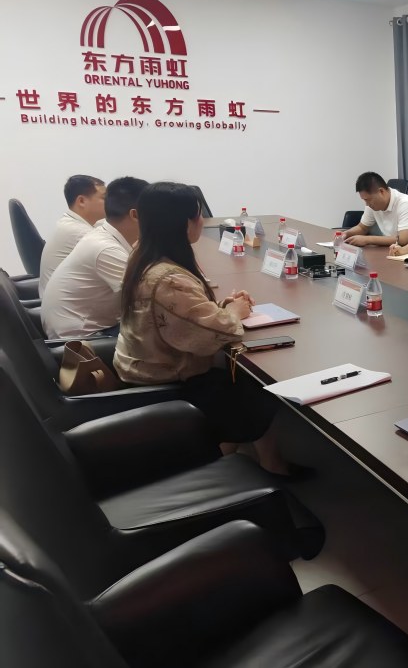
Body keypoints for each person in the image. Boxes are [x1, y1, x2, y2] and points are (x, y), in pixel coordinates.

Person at [114, 182, 299, 477]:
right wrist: (233, 312)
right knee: (254, 387)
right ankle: (217, 465)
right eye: (198, 215)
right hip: (162, 382)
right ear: (184, 223)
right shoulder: (167, 279)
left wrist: (224, 306)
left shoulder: (143, 253)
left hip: (143, 366)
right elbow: (218, 334)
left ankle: (258, 459)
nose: (201, 221)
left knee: (239, 379)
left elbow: (183, 315)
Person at [41, 177, 148, 339]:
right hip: (82, 339)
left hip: (73, 324)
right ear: (135, 214)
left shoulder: (102, 232)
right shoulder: (105, 248)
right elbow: (149, 296)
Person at [38, 175, 106, 297]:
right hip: (67, 305)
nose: (110, 203)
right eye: (104, 198)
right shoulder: (80, 233)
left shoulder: (69, 223)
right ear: (81, 201)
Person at [342, 172, 408, 247]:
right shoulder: (371, 205)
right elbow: (363, 227)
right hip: (396, 249)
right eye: (364, 200)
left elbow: (402, 240)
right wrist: (346, 233)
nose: (367, 204)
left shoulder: (405, 203)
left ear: (381, 191)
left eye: (368, 200)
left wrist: (367, 240)